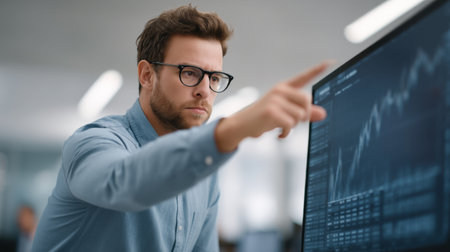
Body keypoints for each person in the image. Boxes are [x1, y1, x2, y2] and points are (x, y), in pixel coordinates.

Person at [32, 5, 328, 252]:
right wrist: (232, 129)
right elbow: (124, 184)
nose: (205, 90)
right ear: (147, 75)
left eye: (214, 78)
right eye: (190, 73)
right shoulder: (92, 142)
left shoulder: (204, 177)